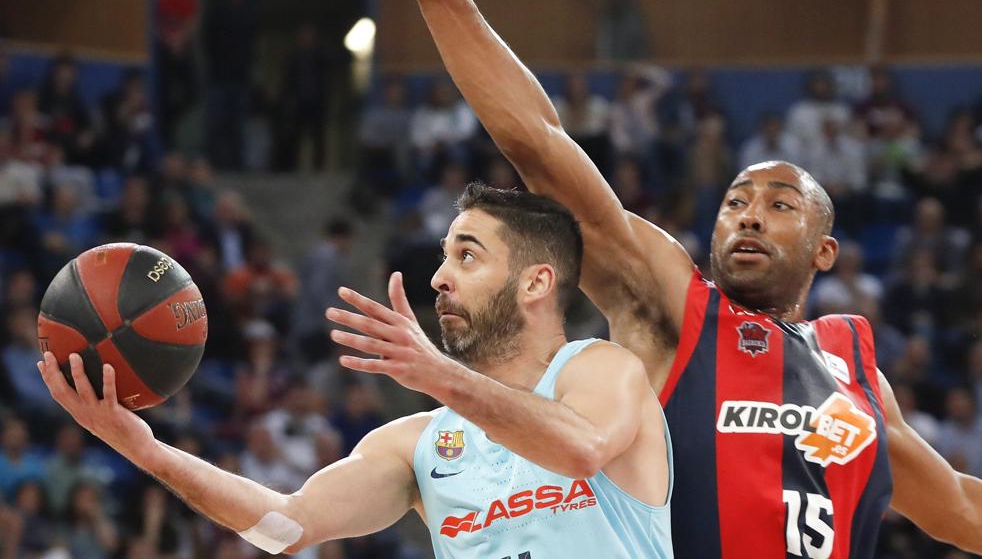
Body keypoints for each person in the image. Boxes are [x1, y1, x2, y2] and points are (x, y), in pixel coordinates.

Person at [304, 0, 982, 557]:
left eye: (779, 205)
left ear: (823, 247)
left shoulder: (853, 364)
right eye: (736, 201)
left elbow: (964, 509)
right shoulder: (673, 304)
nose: (747, 216)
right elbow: (543, 147)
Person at [39, 182, 673, 559]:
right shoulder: (415, 443)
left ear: (537, 281)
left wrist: (437, 375)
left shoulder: (600, 370)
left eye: (468, 256)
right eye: (442, 256)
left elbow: (582, 449)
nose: (439, 277)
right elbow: (284, 526)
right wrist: (146, 450)